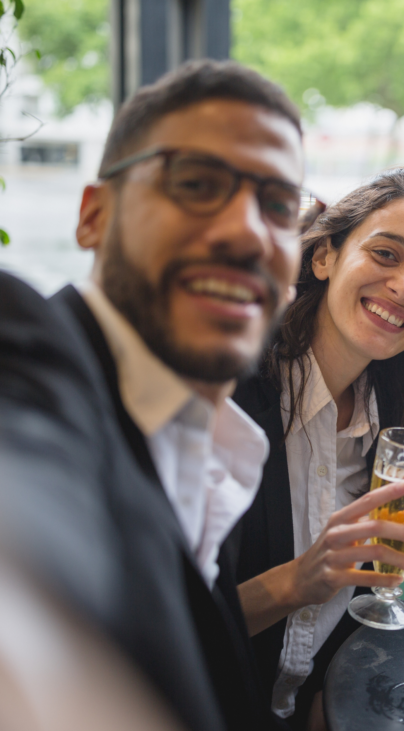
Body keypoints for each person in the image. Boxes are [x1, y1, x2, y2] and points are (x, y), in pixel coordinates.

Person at [0, 60, 307, 731]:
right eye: (196, 183)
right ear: (94, 216)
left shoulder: (211, 439)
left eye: (279, 205)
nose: (248, 232)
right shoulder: (29, 355)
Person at [229, 169, 404, 729]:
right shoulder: (229, 391)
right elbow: (155, 623)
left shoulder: (400, 419)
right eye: (386, 254)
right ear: (324, 256)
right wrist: (294, 583)